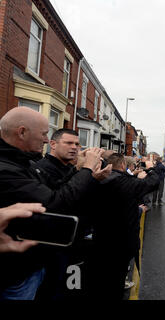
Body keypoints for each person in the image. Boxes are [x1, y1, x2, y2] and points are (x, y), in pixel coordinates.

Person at [0, 107, 110, 300]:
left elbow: (57, 191)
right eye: (43, 134)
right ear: (22, 132)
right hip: (17, 271)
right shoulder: (10, 168)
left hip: (33, 261)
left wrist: (85, 173)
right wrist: (86, 169)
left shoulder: (22, 162)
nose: (44, 139)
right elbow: (55, 202)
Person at [88, 153, 160, 299]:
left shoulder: (98, 180)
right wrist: (151, 169)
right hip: (122, 242)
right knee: (116, 280)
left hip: (100, 238)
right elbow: (152, 183)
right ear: (122, 165)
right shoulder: (125, 183)